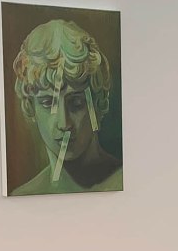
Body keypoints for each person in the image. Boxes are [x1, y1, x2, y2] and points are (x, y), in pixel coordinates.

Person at [10, 19, 122, 196]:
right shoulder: (22, 195)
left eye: (76, 104)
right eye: (47, 103)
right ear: (30, 107)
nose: (64, 123)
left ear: (97, 103)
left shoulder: (126, 180)